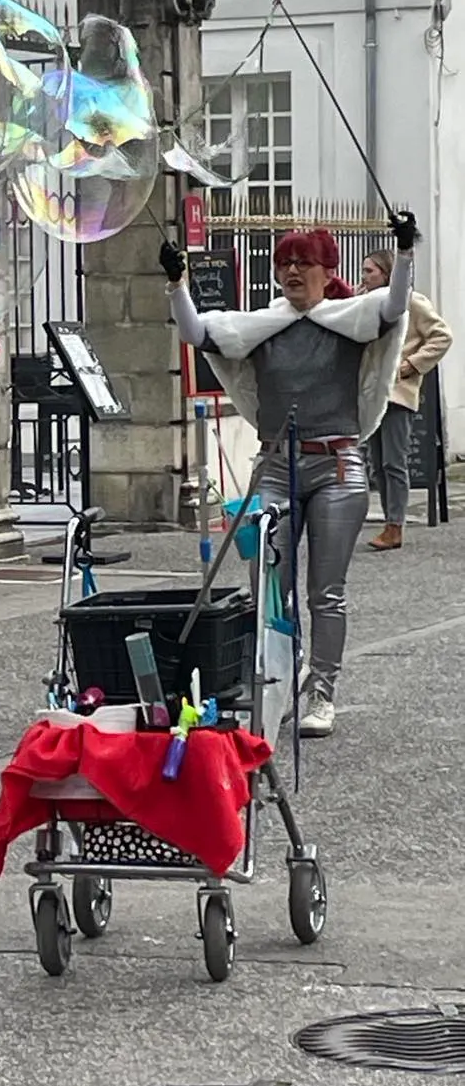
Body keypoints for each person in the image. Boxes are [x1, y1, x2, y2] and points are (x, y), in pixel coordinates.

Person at [161, 218, 416, 737]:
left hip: (336, 465)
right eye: (285, 263)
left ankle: (322, 691)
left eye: (304, 262)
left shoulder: (350, 318)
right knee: (269, 589)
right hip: (275, 466)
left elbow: (394, 307)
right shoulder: (262, 325)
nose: (293, 271)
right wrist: (176, 283)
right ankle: (279, 678)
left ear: (328, 271)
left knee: (326, 591)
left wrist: (405, 252)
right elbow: (196, 333)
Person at [358, 248, 453, 551]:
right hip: (372, 392)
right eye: (363, 270)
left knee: (393, 461)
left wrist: (411, 365)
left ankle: (395, 525)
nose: (364, 276)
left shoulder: (411, 301)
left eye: (369, 270)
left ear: (386, 273)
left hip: (398, 392)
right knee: (376, 463)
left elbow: (442, 335)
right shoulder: (365, 302)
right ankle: (390, 521)